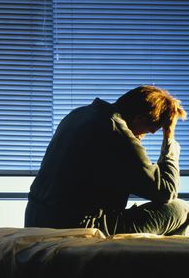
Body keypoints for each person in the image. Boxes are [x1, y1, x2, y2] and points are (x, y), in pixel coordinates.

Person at [25, 85, 189, 236]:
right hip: (79, 226)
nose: (142, 137)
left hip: (35, 219)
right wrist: (169, 139)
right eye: (149, 131)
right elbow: (166, 191)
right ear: (140, 119)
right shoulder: (118, 133)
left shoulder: (78, 115)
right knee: (181, 209)